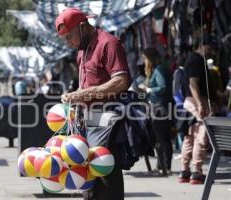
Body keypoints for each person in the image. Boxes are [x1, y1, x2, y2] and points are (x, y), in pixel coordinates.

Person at [55, 8, 130, 200]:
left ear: (83, 27)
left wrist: (83, 94)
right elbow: (86, 84)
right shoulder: (82, 51)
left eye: (70, 37)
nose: (69, 43)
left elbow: (121, 81)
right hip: (88, 122)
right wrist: (75, 97)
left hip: (107, 120)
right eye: (65, 39)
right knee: (88, 178)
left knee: (104, 173)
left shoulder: (108, 43)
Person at [178, 33, 218, 184]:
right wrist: (201, 104)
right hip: (197, 102)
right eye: (210, 47)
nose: (212, 51)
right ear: (201, 45)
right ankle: (197, 172)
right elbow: (192, 84)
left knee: (189, 138)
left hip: (191, 102)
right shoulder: (196, 60)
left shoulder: (194, 59)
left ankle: (184, 171)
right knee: (201, 138)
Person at [138, 47, 173, 175]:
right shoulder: (158, 69)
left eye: (145, 58)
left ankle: (166, 167)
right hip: (159, 107)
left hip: (162, 107)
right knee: (160, 138)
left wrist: (148, 90)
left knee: (163, 138)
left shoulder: (159, 69)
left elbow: (163, 87)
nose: (144, 61)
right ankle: (161, 166)